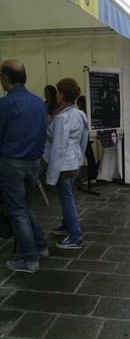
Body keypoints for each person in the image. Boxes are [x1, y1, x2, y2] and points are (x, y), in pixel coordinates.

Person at [0, 60, 48, 273]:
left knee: (17, 210)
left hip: (12, 163)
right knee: (25, 206)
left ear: (6, 79)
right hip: (34, 163)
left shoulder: (6, 104)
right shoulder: (39, 102)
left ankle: (30, 260)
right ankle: (41, 247)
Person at [43, 78, 88, 248]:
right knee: (67, 196)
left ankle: (75, 235)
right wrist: (79, 158)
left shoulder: (62, 118)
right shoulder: (79, 114)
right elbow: (83, 140)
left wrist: (51, 174)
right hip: (73, 162)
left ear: (62, 94)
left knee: (66, 198)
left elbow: (58, 147)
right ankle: (67, 225)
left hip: (62, 164)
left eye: (58, 91)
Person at [77, 95, 98, 183]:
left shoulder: (82, 112)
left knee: (89, 156)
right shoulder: (88, 111)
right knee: (90, 156)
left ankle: (92, 176)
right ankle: (92, 175)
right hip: (88, 136)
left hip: (85, 137)